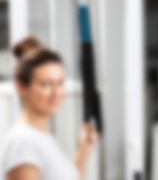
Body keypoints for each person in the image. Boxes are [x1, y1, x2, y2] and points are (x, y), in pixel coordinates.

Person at [0, 36, 99, 180]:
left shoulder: (42, 138)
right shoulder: (23, 143)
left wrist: (84, 151)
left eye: (60, 83)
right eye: (45, 84)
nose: (56, 93)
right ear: (21, 87)